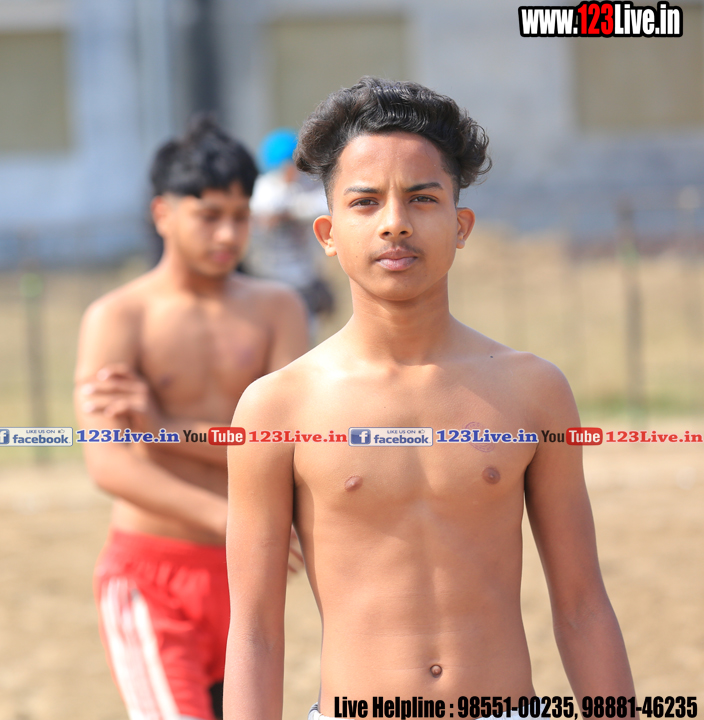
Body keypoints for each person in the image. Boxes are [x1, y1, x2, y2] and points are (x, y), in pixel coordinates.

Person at [223, 78, 634, 719]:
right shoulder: (277, 408)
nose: (395, 222)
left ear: (461, 224)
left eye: (422, 198)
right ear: (327, 231)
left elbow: (582, 604)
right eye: (365, 202)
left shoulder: (533, 392)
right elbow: (253, 631)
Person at [74, 116, 308, 720]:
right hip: (150, 575)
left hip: (246, 583)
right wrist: (229, 519)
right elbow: (108, 464)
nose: (228, 234)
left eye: (240, 215)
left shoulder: (277, 309)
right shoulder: (117, 318)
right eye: (209, 216)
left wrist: (163, 430)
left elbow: (285, 445)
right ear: (163, 213)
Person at [245, 128, 336, 338]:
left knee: (306, 337)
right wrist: (285, 204)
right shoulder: (264, 189)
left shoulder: (305, 186)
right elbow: (264, 212)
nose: (292, 170)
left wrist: (294, 210)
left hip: (305, 281)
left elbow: (325, 205)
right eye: (288, 165)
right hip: (270, 280)